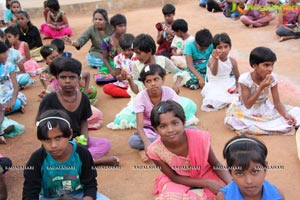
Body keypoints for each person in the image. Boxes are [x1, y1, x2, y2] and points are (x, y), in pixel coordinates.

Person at [36, 58, 119, 166]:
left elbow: (84, 121)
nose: (67, 81)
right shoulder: (50, 99)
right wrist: (52, 139)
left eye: (72, 77)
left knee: (104, 144)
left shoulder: (83, 98)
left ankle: (79, 160)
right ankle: (92, 161)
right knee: (53, 153)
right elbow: (38, 122)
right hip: (57, 141)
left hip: (77, 139)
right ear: (57, 78)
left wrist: (84, 141)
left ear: (79, 78)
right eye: (63, 77)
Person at [107, 33, 198, 130]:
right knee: (123, 117)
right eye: (135, 53)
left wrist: (176, 84)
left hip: (163, 98)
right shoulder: (135, 65)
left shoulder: (162, 60)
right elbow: (137, 91)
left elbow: (180, 72)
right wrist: (129, 80)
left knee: (189, 105)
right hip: (144, 100)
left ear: (149, 51)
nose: (136, 56)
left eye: (139, 53)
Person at [148, 100, 232, 199]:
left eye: (175, 123)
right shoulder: (155, 150)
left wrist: (232, 185)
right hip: (180, 180)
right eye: (163, 126)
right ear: (156, 130)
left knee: (225, 193)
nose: (170, 130)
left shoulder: (199, 138)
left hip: (206, 173)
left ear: (183, 123)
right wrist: (206, 183)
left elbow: (216, 165)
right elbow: (174, 177)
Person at [23, 109, 110, 200]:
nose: (53, 145)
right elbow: (30, 193)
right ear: (41, 140)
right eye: (47, 140)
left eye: (58, 138)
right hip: (49, 198)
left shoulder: (82, 154)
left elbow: (90, 184)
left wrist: (87, 198)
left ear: (70, 134)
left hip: (79, 194)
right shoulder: (37, 159)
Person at [225, 46, 300, 135]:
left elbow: (277, 103)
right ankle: (264, 127)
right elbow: (248, 105)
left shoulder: (273, 78)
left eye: (272, 65)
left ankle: (265, 126)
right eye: (266, 65)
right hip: (248, 110)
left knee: (296, 111)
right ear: (254, 66)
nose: (270, 69)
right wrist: (261, 87)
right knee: (233, 120)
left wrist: (285, 115)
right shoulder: (245, 80)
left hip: (265, 107)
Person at [216, 134, 285, 199]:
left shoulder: (277, 196)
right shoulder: (223, 197)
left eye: (254, 171)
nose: (249, 181)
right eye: (239, 173)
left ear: (265, 168)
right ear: (230, 172)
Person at [201, 33, 240, 112]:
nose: (223, 50)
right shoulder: (212, 59)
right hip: (213, 83)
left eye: (226, 46)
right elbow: (214, 73)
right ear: (215, 49)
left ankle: (225, 102)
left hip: (227, 82)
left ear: (230, 47)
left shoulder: (232, 61)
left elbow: (237, 76)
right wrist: (216, 59)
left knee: (239, 94)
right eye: (220, 47)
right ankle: (225, 102)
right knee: (211, 100)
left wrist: (238, 87)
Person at [102, 33, 136, 98]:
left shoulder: (138, 57)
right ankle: (132, 93)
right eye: (124, 50)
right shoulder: (118, 58)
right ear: (121, 48)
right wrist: (120, 77)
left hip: (136, 83)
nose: (127, 52)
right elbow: (117, 76)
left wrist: (131, 78)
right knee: (106, 88)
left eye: (129, 50)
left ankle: (134, 92)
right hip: (124, 84)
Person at [0, 41, 26, 114]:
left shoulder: (9, 66)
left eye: (7, 52)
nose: (6, 55)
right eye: (4, 53)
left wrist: (13, 100)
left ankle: (7, 109)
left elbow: (16, 86)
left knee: (16, 103)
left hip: (7, 94)